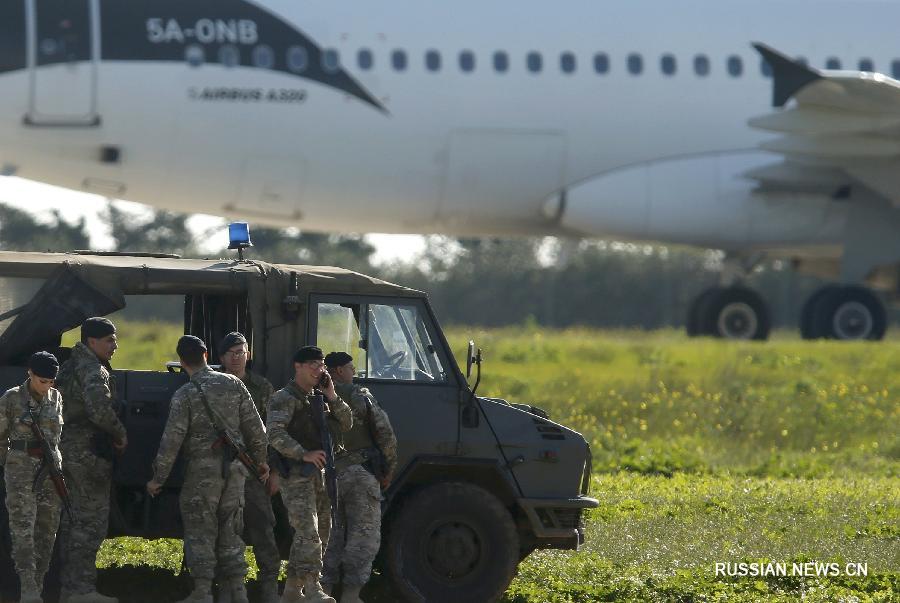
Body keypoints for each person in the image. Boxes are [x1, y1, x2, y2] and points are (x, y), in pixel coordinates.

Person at [146, 336, 269, 603]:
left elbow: (172, 441)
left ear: (181, 361)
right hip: (236, 471)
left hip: (202, 475)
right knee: (231, 530)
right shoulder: (234, 383)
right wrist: (261, 463)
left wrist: (158, 479)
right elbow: (257, 431)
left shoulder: (184, 394)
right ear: (205, 353)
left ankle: (202, 592)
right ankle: (238, 590)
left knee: (201, 531)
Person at [267, 346, 352, 603]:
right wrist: (303, 453)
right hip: (295, 474)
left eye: (321, 364)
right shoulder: (284, 397)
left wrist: (332, 395)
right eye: (313, 364)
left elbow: (347, 423)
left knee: (322, 533)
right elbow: (274, 434)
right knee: (308, 533)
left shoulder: (321, 397)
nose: (319, 369)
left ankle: (293, 590)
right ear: (298, 366)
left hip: (321, 476)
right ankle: (313, 587)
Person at [55, 317, 127, 603]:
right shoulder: (94, 370)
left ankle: (69, 587)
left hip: (67, 451)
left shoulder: (69, 366)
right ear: (92, 342)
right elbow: (99, 410)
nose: (114, 345)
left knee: (71, 522)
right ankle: (81, 589)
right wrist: (120, 433)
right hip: (88, 455)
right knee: (90, 522)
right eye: (109, 340)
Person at [320, 353, 398, 603]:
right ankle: (351, 595)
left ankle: (323, 592)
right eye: (351, 368)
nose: (354, 371)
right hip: (359, 472)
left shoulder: (311, 395)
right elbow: (384, 433)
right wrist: (388, 470)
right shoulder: (358, 394)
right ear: (340, 371)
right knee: (363, 533)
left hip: (326, 474)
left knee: (329, 533)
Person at [218, 332, 280, 603]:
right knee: (224, 529)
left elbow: (276, 431)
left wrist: (275, 470)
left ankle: (269, 586)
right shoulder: (212, 385)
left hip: (257, 470)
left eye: (241, 352)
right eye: (231, 353)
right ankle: (227, 586)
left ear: (248, 355)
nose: (236, 357)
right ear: (221, 357)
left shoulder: (262, 387)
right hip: (221, 470)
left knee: (263, 527)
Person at [0, 352, 64, 603]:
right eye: (42, 381)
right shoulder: (12, 399)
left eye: (50, 381)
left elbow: (57, 438)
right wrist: (6, 466)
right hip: (20, 470)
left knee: (48, 531)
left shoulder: (57, 398)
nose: (46, 386)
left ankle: (37, 586)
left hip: (50, 472)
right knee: (23, 529)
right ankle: (27, 587)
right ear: (30, 373)